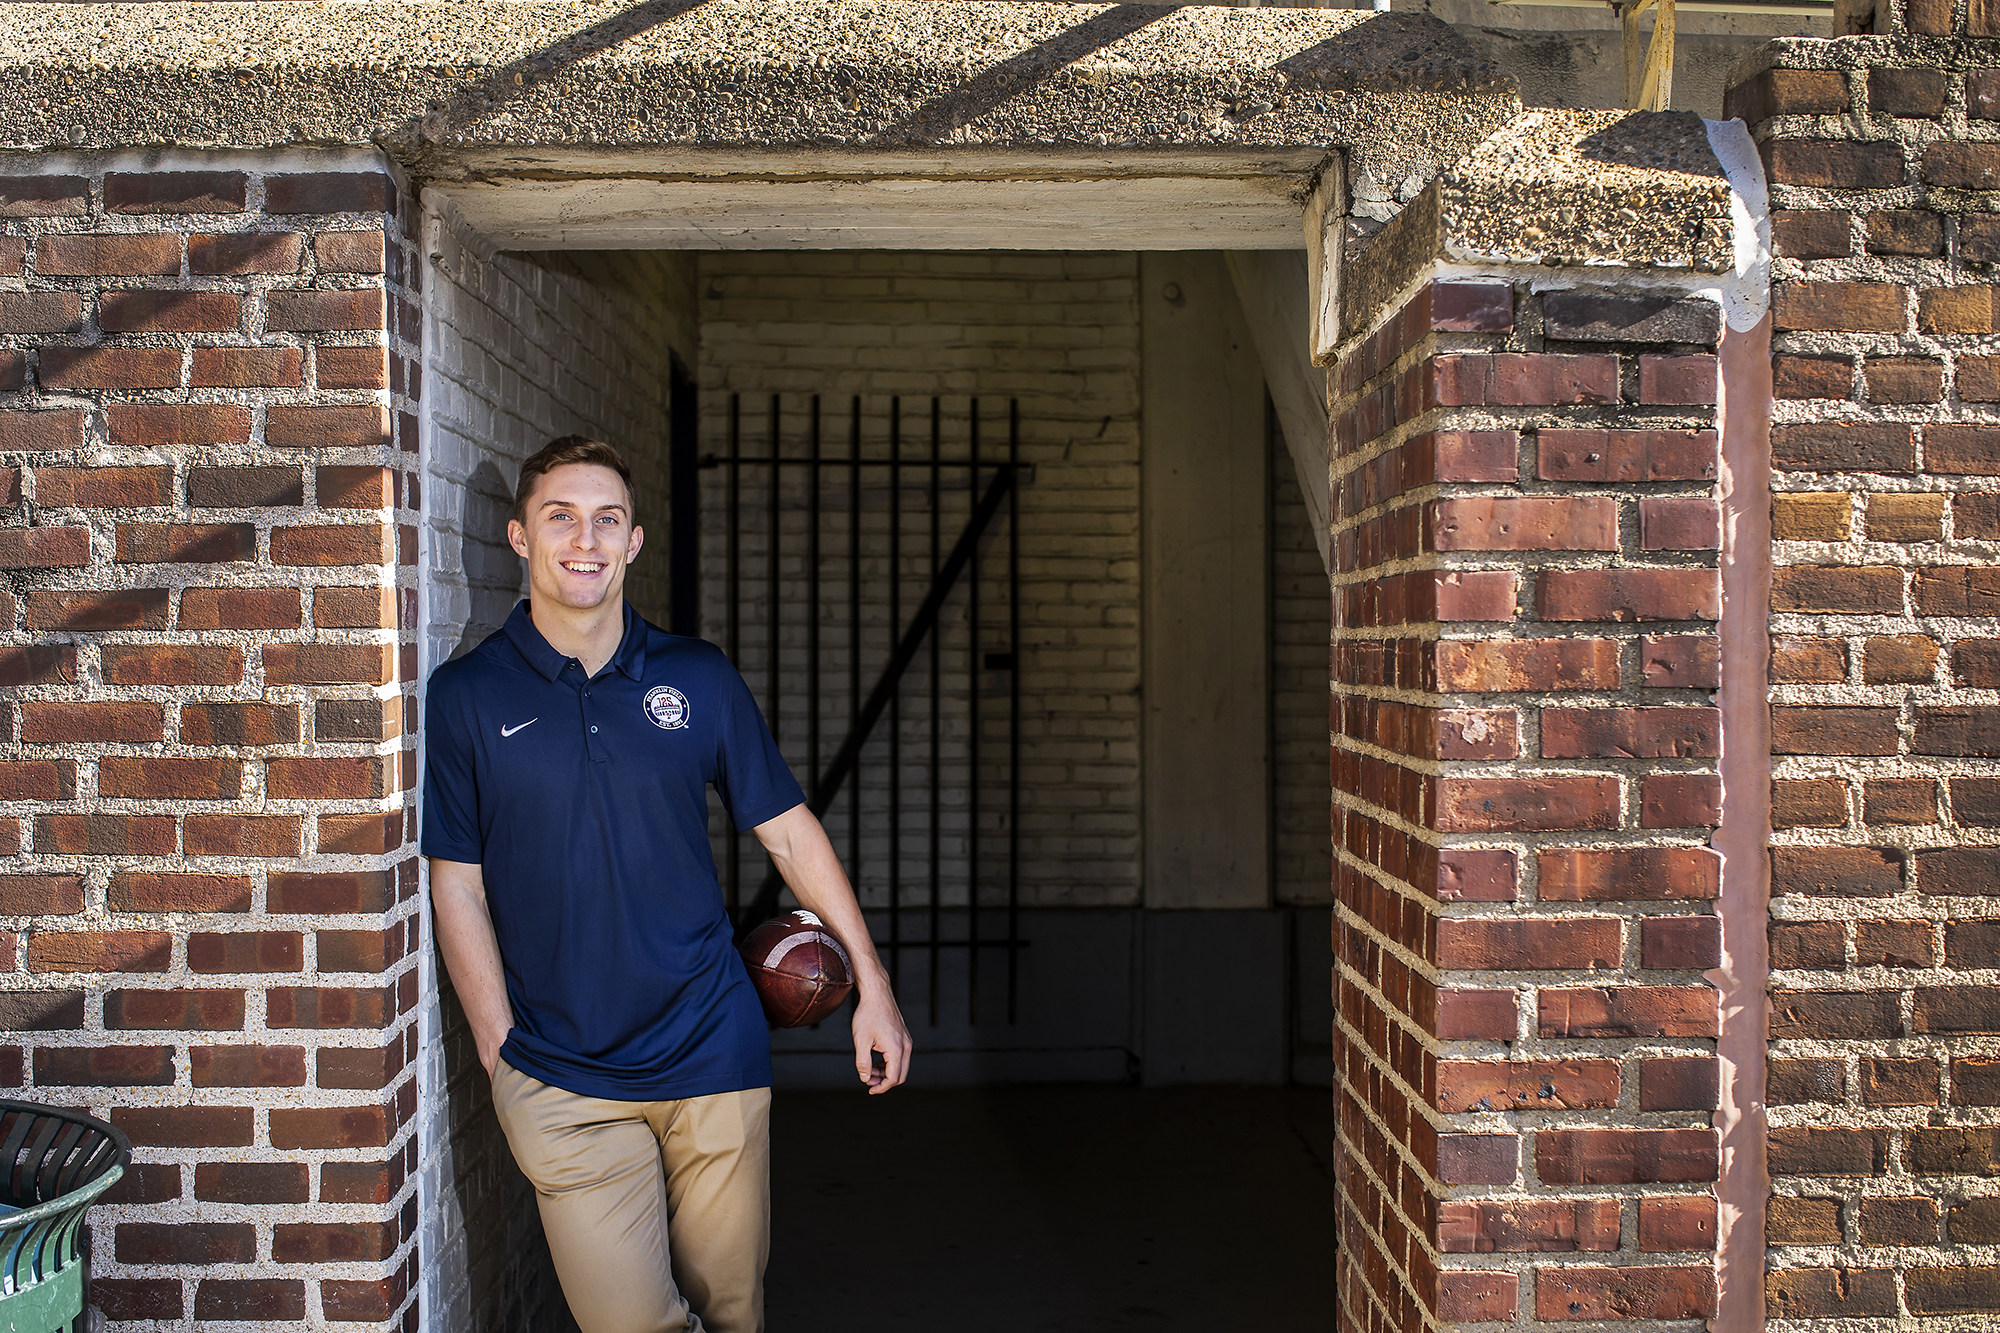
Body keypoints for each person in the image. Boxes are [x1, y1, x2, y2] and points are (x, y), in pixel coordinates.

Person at [423, 435, 912, 1333]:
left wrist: (870, 986)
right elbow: (457, 887)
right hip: (564, 1078)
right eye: (560, 516)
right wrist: (502, 1059)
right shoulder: (466, 696)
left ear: (635, 541)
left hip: (713, 1053)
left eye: (607, 519)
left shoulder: (699, 677)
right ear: (520, 538)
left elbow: (792, 835)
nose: (586, 538)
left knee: (732, 1314)